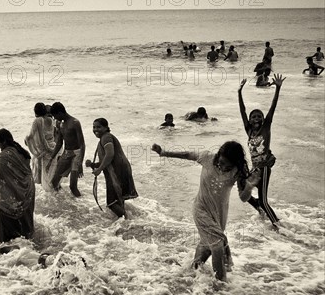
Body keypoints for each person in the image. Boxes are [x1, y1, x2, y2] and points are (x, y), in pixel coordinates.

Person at [151, 141, 259, 281]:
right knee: (218, 245)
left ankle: (190, 274)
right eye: (221, 162)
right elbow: (187, 154)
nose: (223, 167)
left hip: (219, 214)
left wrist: (249, 187)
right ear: (218, 155)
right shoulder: (208, 157)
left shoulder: (238, 171)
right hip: (201, 209)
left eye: (228, 166)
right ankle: (220, 285)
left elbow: (243, 198)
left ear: (235, 163)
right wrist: (164, 152)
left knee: (207, 245)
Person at [238, 74, 285, 231]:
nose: (256, 118)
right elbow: (243, 111)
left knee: (264, 200)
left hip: (264, 168)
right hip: (255, 169)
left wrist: (277, 88)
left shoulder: (266, 128)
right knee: (242, 190)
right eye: (254, 116)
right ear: (250, 120)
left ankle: (277, 225)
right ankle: (258, 207)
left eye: (259, 116)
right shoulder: (249, 132)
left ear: (264, 119)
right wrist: (239, 92)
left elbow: (273, 107)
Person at [85, 118, 138, 218]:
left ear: (106, 128)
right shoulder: (104, 138)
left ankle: (128, 220)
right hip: (120, 169)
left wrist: (99, 169)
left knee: (111, 203)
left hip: (117, 171)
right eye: (94, 127)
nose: (95, 129)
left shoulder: (106, 137)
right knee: (118, 199)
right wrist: (93, 165)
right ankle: (126, 222)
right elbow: (105, 161)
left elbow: (110, 155)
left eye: (99, 127)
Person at [47, 102, 85, 197]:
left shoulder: (75, 123)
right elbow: (59, 142)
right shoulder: (59, 123)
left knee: (73, 186)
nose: (55, 119)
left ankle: (82, 207)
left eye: (55, 116)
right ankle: (60, 203)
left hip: (76, 154)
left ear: (60, 113)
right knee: (54, 182)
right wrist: (51, 159)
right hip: (66, 153)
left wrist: (80, 162)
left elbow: (82, 144)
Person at [24, 102, 57, 191]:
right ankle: (55, 192)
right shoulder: (50, 119)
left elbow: (33, 136)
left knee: (41, 175)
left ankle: (45, 196)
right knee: (50, 173)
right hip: (53, 146)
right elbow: (53, 134)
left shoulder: (38, 120)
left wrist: (27, 139)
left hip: (44, 149)